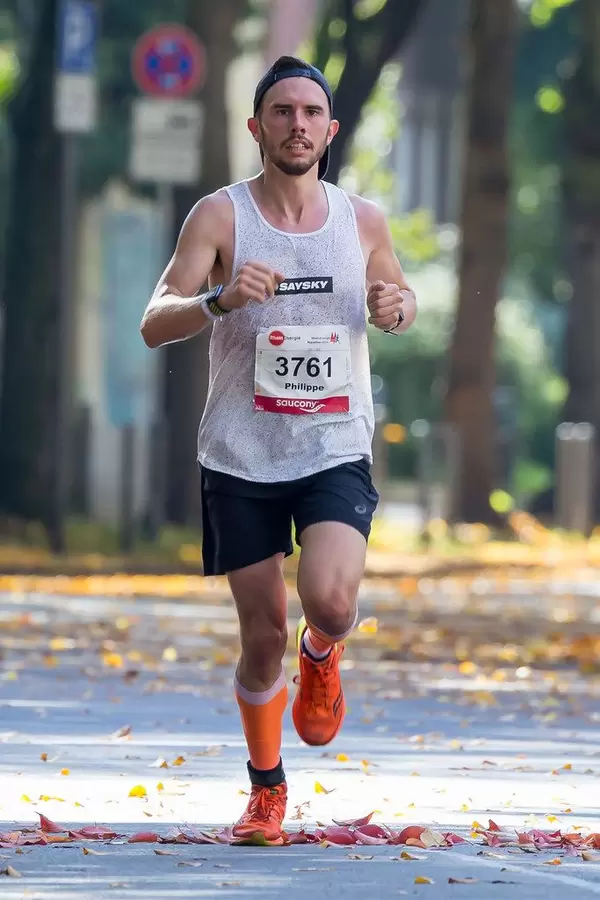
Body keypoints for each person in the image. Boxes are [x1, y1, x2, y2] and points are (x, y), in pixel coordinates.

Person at [140, 55, 417, 845]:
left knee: (331, 601)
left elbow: (397, 301)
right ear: (257, 125)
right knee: (259, 636)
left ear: (329, 130)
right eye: (282, 111)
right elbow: (155, 318)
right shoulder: (220, 217)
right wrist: (218, 299)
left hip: (332, 444)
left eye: (310, 113)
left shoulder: (360, 220)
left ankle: (322, 653)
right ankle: (267, 789)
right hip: (239, 454)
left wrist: (400, 306)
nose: (297, 125)